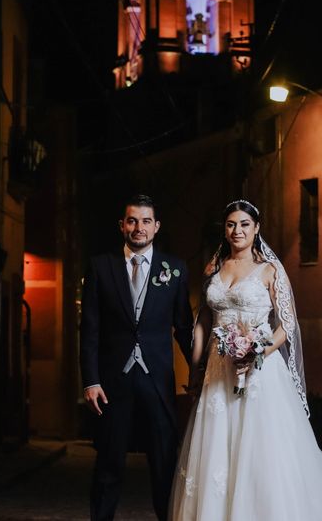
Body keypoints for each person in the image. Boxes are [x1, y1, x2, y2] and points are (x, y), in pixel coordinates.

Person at [170, 199, 322, 521]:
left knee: (261, 446)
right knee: (217, 447)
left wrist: (258, 352)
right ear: (224, 230)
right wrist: (196, 370)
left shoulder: (270, 270)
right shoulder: (213, 270)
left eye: (244, 224)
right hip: (218, 371)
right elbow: (203, 324)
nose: (237, 231)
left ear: (256, 228)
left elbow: (287, 325)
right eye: (231, 225)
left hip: (260, 371)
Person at [81, 194, 193, 521]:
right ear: (122, 225)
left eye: (146, 221)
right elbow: (89, 329)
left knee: (163, 466)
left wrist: (202, 370)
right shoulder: (101, 267)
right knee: (108, 465)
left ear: (157, 227)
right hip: (112, 384)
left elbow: (183, 327)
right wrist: (91, 380)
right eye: (132, 221)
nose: (138, 228)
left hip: (158, 382)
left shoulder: (175, 269)